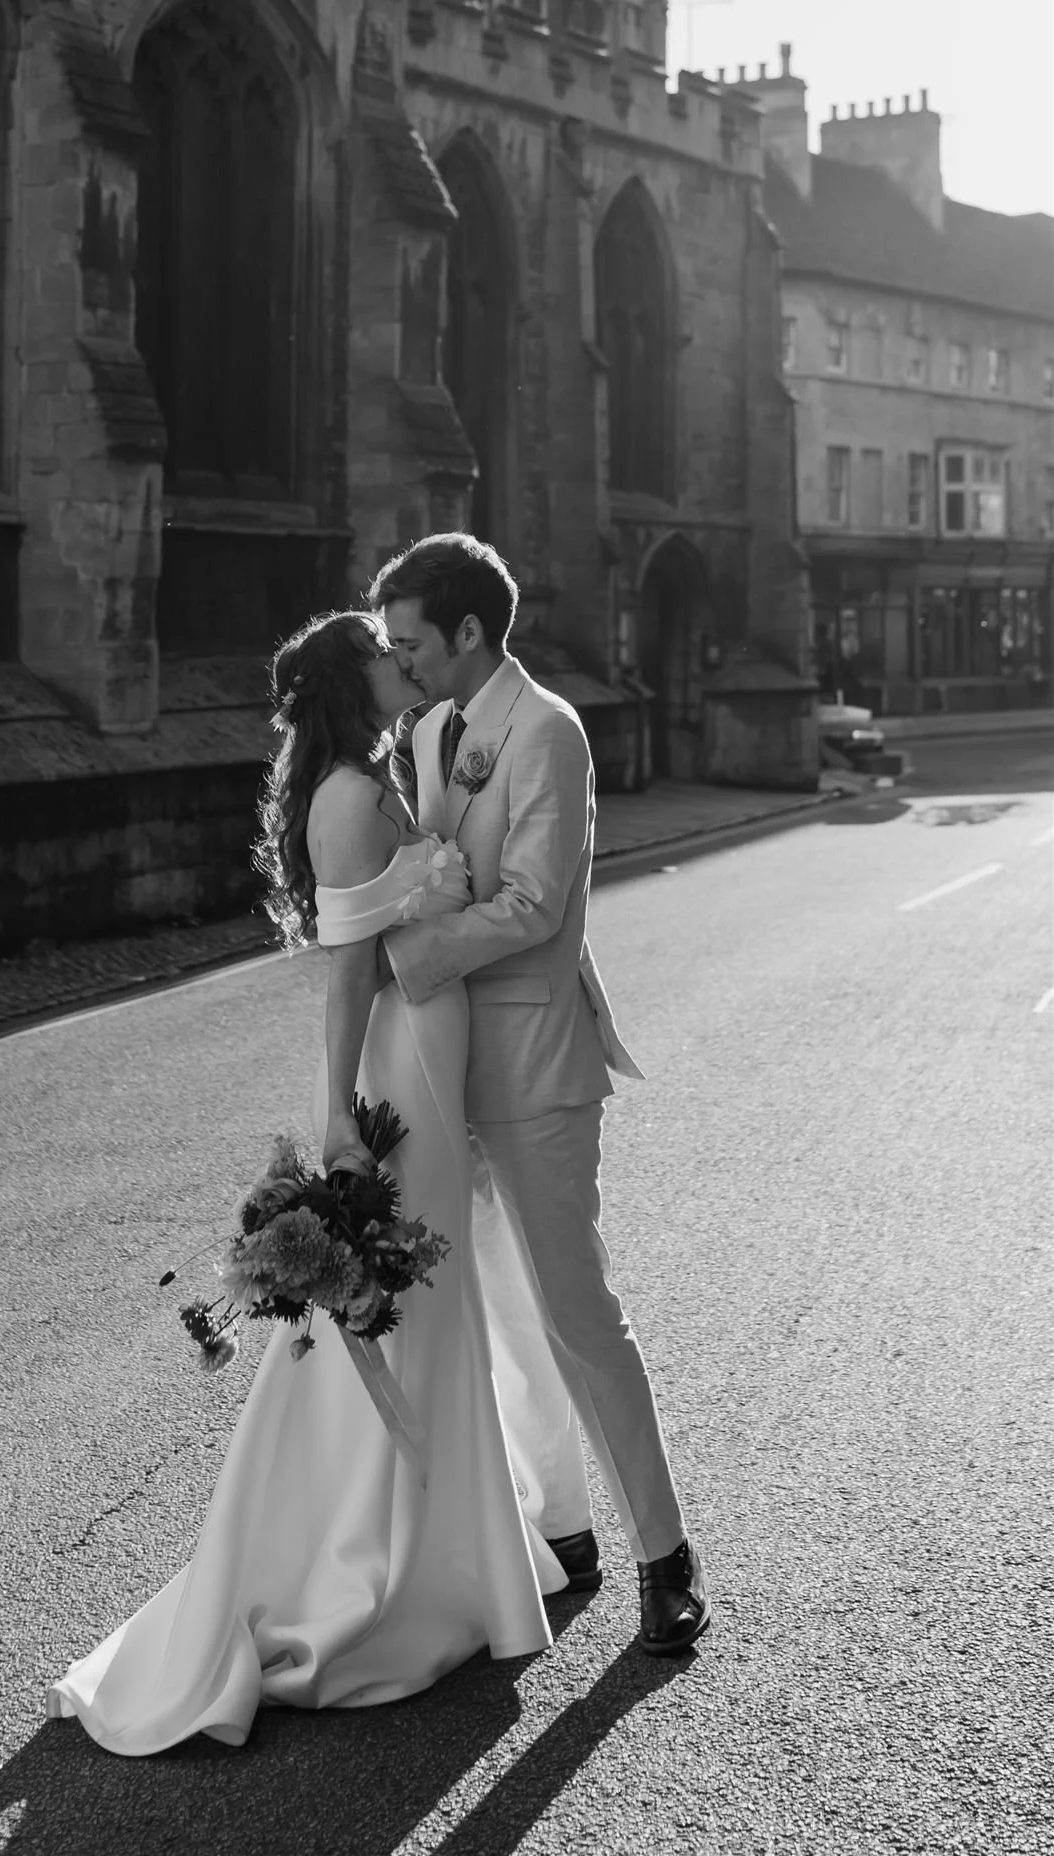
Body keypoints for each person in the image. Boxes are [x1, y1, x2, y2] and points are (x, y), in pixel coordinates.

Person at [46, 610, 567, 1755]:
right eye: (390, 652)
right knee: (396, 1307)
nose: (407, 662)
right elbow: (347, 970)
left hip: (434, 1060)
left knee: (436, 1307)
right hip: (396, 1067)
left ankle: (450, 1543)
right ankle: (368, 1563)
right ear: (355, 675)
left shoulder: (372, 776)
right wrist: (335, 1107)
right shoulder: (343, 796)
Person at [368, 533, 710, 1657]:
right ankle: (564, 1529)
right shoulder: (426, 731)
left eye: (411, 639)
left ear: (469, 631)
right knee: (495, 1316)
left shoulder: (549, 730)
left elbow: (533, 903)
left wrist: (403, 955)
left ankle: (666, 1555)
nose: (399, 659)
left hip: (532, 1065)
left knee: (575, 1316)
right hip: (440, 1069)